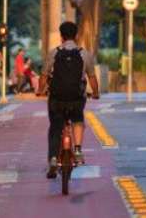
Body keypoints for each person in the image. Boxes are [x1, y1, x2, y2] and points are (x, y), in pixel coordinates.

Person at [37, 21, 100, 179]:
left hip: (57, 99)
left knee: (55, 127)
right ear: (76, 35)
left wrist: (40, 90)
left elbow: (44, 76)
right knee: (78, 118)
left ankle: (52, 158)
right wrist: (96, 92)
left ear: (61, 36)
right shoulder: (84, 54)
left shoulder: (54, 53)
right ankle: (77, 150)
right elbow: (92, 78)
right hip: (76, 98)